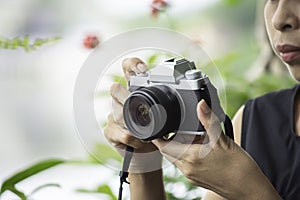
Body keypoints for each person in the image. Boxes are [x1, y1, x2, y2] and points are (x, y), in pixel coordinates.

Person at [104, 0, 300, 199]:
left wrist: (249, 191)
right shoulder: (257, 120)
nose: (279, 19)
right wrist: (143, 160)